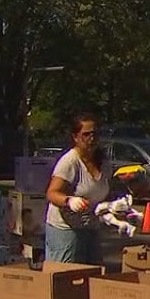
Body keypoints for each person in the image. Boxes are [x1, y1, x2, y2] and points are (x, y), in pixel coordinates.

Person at [44, 113, 110, 264]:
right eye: (86, 134)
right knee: (65, 276)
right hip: (66, 229)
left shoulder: (102, 161)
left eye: (94, 134)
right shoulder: (70, 161)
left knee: (93, 273)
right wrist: (69, 200)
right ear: (75, 137)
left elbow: (106, 190)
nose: (91, 138)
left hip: (90, 226)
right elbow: (52, 193)